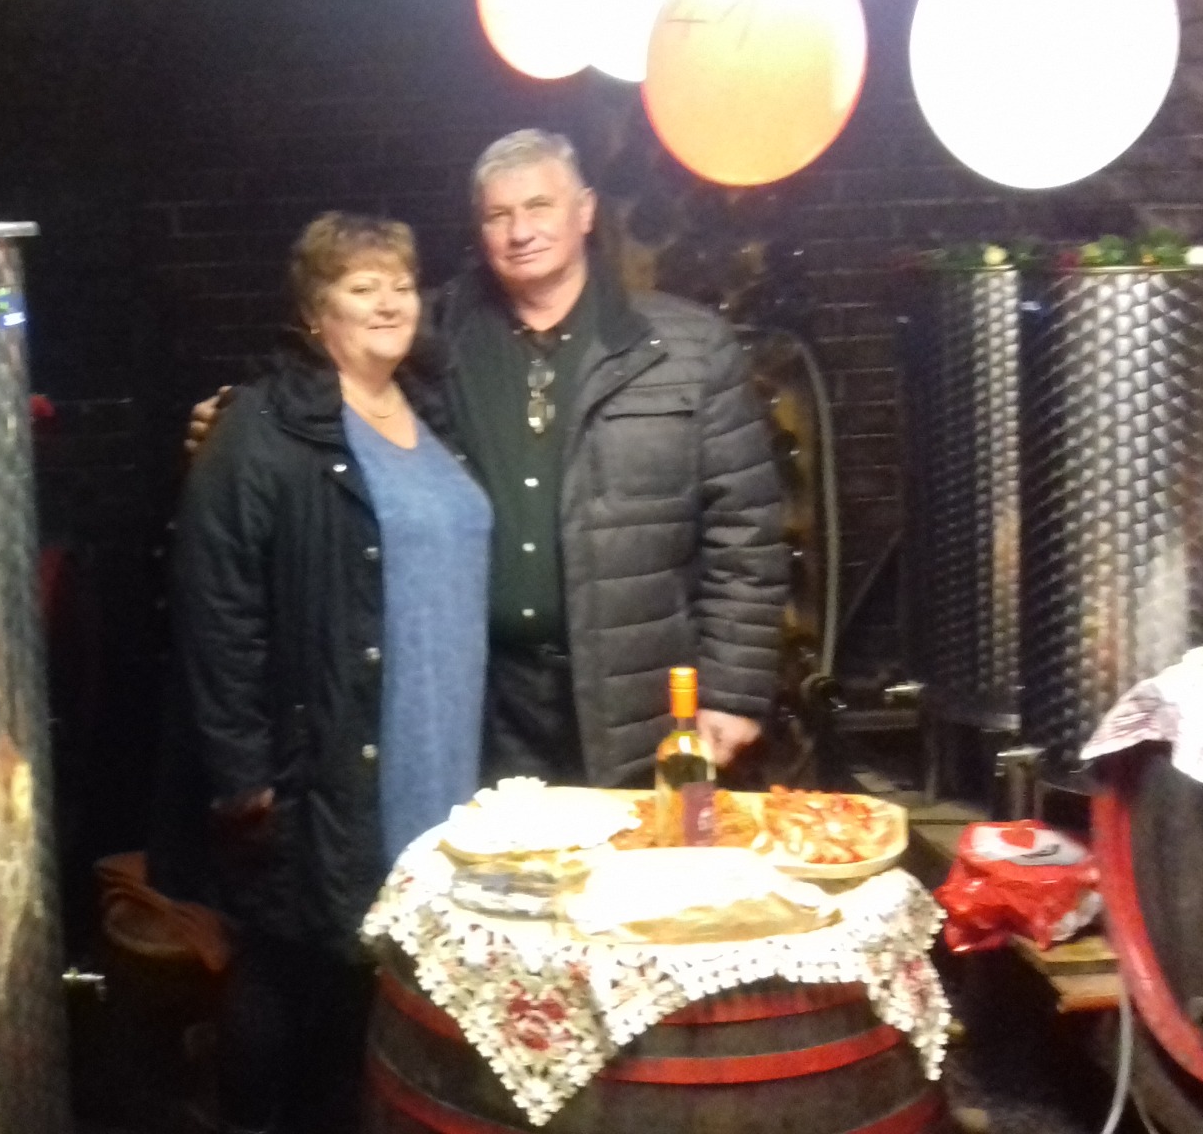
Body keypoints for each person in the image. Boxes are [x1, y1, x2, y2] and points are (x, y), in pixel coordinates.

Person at [187, 129, 786, 788]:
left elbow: (746, 534)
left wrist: (732, 692)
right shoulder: (433, 335)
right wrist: (244, 419)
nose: (520, 231)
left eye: (538, 206)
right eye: (499, 215)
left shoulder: (688, 348)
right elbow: (330, 366)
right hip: (479, 700)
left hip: (641, 700)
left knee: (641, 853)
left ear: (585, 211)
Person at [151, 212, 493, 1134]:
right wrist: (243, 772)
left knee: (385, 978)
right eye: (360, 286)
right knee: (292, 969)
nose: (389, 302)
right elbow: (215, 603)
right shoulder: (263, 426)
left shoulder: (436, 411)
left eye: (402, 285)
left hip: (437, 745)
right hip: (324, 756)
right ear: (314, 312)